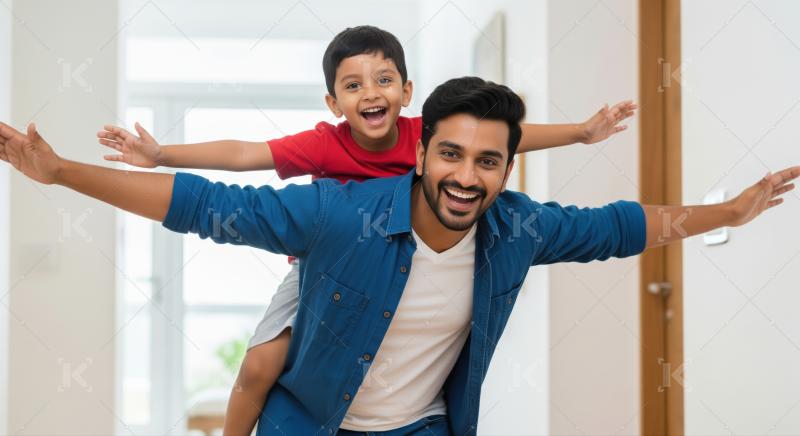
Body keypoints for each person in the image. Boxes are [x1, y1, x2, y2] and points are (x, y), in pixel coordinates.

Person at [1, 77, 795, 435]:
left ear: (507, 171)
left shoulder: (520, 229)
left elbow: (625, 225)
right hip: (303, 423)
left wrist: (730, 210)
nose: (465, 176)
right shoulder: (337, 213)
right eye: (450, 154)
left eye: (487, 162)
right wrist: (64, 172)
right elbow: (209, 204)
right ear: (420, 155)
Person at [95, 25, 637, 435]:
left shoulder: (424, 135)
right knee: (261, 361)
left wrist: (583, 133)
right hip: (326, 268)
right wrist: (162, 153)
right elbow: (242, 154)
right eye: (353, 85)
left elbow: (511, 137)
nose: (370, 93)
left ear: (407, 90)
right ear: (334, 102)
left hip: (401, 269)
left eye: (383, 80)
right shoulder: (323, 143)